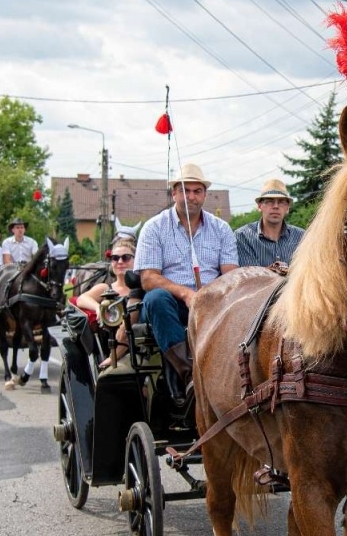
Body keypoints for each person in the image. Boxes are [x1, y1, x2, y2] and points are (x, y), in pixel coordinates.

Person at [136, 163, 237, 382]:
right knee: (156, 298)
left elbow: (231, 277)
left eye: (197, 191)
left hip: (211, 304)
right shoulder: (154, 228)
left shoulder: (222, 229)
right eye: (184, 190)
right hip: (169, 306)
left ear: (204, 195)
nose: (191, 196)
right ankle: (188, 375)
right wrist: (185, 294)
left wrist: (208, 297)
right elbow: (148, 278)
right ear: (174, 193)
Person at [74, 236, 137, 369]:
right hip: (110, 345)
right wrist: (98, 308)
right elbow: (81, 299)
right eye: (115, 258)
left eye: (126, 257)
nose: (120, 262)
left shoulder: (141, 290)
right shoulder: (105, 288)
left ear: (135, 260)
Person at [235, 178, 305, 271]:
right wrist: (280, 270)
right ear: (259, 206)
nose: (275, 206)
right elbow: (251, 278)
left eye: (281, 202)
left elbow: (306, 272)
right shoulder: (243, 236)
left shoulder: (302, 237)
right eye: (269, 201)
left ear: (287, 207)